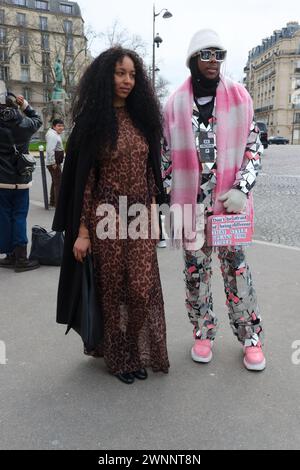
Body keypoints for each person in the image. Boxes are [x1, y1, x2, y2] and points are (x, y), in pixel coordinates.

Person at [52, 47, 170, 384]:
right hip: (105, 217)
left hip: (140, 217)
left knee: (140, 289)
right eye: (120, 73)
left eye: (132, 74)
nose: (127, 80)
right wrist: (83, 231)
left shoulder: (143, 119)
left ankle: (133, 348)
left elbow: (151, 172)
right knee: (112, 290)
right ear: (107, 75)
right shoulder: (92, 123)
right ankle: (120, 357)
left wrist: (153, 209)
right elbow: (85, 183)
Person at [163, 29, 266, 371]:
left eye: (218, 55)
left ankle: (250, 338)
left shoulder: (240, 96)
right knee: (195, 273)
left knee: (236, 271)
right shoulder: (175, 104)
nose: (213, 62)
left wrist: (242, 188)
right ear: (193, 59)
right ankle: (203, 333)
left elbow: (254, 148)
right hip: (189, 206)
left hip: (227, 205)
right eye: (206, 55)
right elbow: (164, 157)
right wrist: (169, 196)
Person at [0, 83, 42, 272]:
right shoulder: (24, 124)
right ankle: (22, 259)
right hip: (21, 181)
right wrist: (25, 104)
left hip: (1, 181)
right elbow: (37, 119)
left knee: (5, 217)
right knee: (19, 216)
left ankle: (9, 255)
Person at [45, 119, 64, 207]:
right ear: (54, 126)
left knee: (55, 181)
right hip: (53, 163)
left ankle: (53, 201)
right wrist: (53, 162)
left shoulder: (54, 134)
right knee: (59, 182)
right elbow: (50, 149)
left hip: (55, 162)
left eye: (62, 126)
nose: (61, 128)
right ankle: (58, 203)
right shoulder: (53, 135)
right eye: (59, 126)